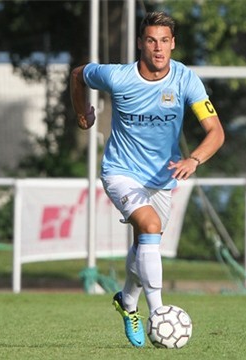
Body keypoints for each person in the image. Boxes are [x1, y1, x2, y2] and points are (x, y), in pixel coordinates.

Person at [69, 11, 225, 347]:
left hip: (162, 178)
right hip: (120, 172)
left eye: (164, 41)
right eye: (151, 40)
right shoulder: (118, 76)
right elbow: (79, 74)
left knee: (145, 244)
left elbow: (215, 132)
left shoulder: (185, 80)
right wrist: (83, 114)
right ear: (141, 43)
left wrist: (194, 158)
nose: (158, 48)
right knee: (150, 227)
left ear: (173, 44)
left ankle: (127, 301)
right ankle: (158, 314)